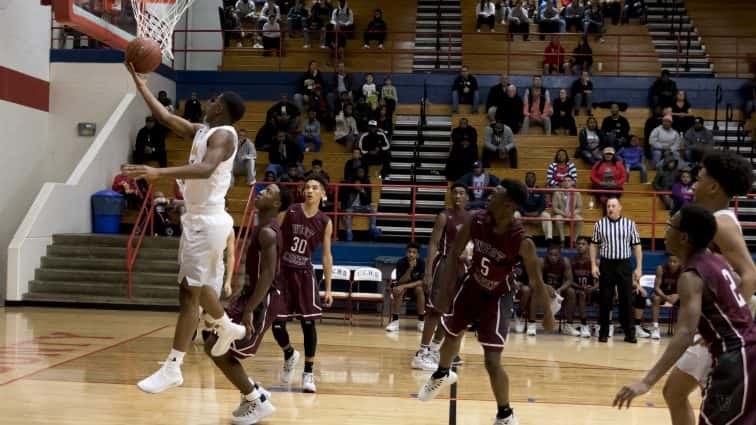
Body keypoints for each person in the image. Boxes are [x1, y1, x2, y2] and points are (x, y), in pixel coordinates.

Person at [122, 63, 249, 394]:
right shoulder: (204, 130)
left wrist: (157, 173)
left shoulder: (224, 135)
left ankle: (173, 366)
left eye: (215, 99)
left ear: (221, 107)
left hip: (208, 220)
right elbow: (166, 119)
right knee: (199, 286)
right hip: (197, 218)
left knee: (188, 293)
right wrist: (141, 85)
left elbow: (206, 169)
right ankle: (225, 326)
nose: (209, 101)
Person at [418, 180, 557, 425]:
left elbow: (536, 280)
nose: (489, 197)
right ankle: (441, 373)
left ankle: (505, 414)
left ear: (509, 204)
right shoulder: (476, 220)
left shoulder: (522, 241)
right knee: (452, 333)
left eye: (496, 194)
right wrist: (444, 292)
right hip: (472, 286)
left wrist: (547, 313)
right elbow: (453, 255)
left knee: (492, 361)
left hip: (497, 296)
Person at [613, 204, 756, 425]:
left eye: (670, 225)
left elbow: (684, 335)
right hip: (746, 351)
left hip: (736, 358)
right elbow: (736, 289)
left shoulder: (691, 276)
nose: (665, 229)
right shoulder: (715, 260)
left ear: (684, 237)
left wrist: (647, 382)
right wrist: (722, 328)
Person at [661, 150, 756, 425]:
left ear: (713, 186)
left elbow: (750, 273)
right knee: (675, 392)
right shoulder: (714, 219)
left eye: (699, 178)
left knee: (697, 397)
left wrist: (732, 320)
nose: (693, 184)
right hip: (722, 324)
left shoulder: (721, 223)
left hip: (731, 328)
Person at [200, 183, 290, 425]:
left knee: (219, 349)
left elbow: (269, 274)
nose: (261, 191)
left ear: (277, 204)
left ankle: (256, 401)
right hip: (251, 295)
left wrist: (250, 308)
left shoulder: (268, 232)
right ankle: (253, 392)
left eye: (269, 192)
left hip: (263, 300)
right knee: (211, 339)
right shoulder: (261, 227)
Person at [269, 176, 333, 393]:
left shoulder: (325, 221)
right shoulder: (291, 211)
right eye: (307, 187)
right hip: (283, 272)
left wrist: (329, 287)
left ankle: (308, 373)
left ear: (323, 193)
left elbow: (326, 256)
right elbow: (273, 236)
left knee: (308, 324)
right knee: (276, 323)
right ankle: (288, 353)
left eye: (315, 188)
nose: (309, 191)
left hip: (305, 274)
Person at [415, 184, 471, 370]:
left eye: (461, 193)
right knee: (436, 310)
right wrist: (428, 272)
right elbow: (433, 243)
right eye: (455, 192)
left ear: (467, 197)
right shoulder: (444, 216)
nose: (458, 196)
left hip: (461, 267)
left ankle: (434, 349)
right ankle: (421, 353)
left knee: (449, 313)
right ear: (450, 196)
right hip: (445, 265)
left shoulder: (470, 218)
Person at [590, 197, 643, 343]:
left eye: (613, 206)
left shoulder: (630, 224)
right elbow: (594, 245)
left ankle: (630, 333)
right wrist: (593, 265)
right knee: (605, 299)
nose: (610, 208)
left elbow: (637, 246)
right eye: (608, 206)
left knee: (626, 299)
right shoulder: (599, 224)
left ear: (620, 208)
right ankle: (603, 332)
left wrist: (639, 267)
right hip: (607, 265)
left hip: (624, 264)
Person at [538, 242, 578, 337]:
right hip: (544, 289)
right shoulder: (541, 261)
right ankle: (531, 323)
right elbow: (537, 279)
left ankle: (569, 325)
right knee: (532, 290)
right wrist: (547, 287)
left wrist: (560, 289)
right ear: (546, 254)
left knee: (571, 292)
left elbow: (569, 280)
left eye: (556, 255)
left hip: (558, 291)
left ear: (560, 255)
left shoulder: (565, 262)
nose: (553, 257)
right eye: (550, 254)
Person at [385, 242, 426, 332]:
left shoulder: (422, 263)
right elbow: (400, 281)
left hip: (415, 289)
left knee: (419, 289)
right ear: (406, 252)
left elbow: (421, 281)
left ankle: (421, 321)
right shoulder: (401, 262)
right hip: (403, 289)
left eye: (414, 252)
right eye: (409, 251)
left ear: (418, 254)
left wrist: (404, 286)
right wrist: (410, 269)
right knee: (400, 290)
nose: (411, 254)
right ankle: (395, 322)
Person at [342, 166, 381, 241]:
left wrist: (362, 190)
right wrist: (343, 208)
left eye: (362, 172)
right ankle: (349, 234)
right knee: (347, 213)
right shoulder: (350, 184)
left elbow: (369, 200)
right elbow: (345, 198)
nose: (360, 173)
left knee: (373, 208)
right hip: (352, 208)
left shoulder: (366, 183)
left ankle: (372, 228)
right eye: (359, 172)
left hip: (363, 207)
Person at [515, 172, 553, 241]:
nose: (529, 179)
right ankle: (515, 238)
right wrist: (524, 212)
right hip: (523, 216)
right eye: (528, 177)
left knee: (546, 215)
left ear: (535, 179)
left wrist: (538, 212)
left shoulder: (540, 191)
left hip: (536, 216)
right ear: (525, 179)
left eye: (531, 177)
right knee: (515, 214)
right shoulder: (520, 190)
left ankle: (549, 239)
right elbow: (517, 204)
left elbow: (543, 205)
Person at [571, 236, 597, 338]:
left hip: (593, 290)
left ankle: (602, 324)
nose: (580, 246)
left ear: (588, 246)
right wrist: (580, 287)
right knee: (581, 294)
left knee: (604, 292)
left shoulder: (594, 262)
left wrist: (593, 288)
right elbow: (568, 280)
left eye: (583, 244)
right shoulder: (572, 261)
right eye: (578, 244)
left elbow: (602, 281)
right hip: (578, 290)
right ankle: (584, 324)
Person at [650, 254, 680, 340]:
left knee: (687, 301)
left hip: (676, 294)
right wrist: (666, 297)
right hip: (662, 294)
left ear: (680, 262)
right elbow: (656, 288)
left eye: (675, 262)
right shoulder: (661, 268)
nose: (672, 263)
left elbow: (686, 288)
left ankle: (681, 328)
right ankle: (655, 327)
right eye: (670, 261)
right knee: (655, 299)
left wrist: (678, 295)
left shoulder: (683, 269)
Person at [552, 175, 583, 246]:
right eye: (565, 181)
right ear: (562, 183)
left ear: (572, 182)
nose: (567, 182)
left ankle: (574, 240)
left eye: (569, 181)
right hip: (562, 214)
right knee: (557, 218)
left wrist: (572, 213)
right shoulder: (557, 193)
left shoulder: (577, 193)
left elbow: (579, 208)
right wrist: (564, 214)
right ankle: (562, 240)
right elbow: (555, 208)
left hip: (572, 214)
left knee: (580, 219)